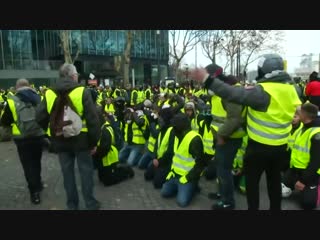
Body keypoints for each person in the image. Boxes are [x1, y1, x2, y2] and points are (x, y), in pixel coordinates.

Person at [192, 53, 301, 210]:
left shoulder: (261, 91)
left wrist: (206, 79)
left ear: (263, 70)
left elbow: (230, 93)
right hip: (280, 148)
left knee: (252, 184)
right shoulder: (292, 90)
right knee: (274, 183)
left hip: (258, 148)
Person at [36, 63, 101, 210]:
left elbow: (39, 117)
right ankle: (90, 204)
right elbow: (93, 120)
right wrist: (93, 142)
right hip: (82, 141)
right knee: (86, 172)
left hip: (60, 140)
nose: (77, 76)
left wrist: (51, 134)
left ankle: (72, 205)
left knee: (67, 174)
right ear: (73, 76)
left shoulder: (49, 93)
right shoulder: (82, 91)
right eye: (76, 74)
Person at [0, 79, 45, 204]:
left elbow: (4, 121)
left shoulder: (11, 101)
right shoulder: (39, 98)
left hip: (22, 139)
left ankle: (34, 192)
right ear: (29, 86)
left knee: (27, 165)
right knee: (36, 162)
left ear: (16, 87)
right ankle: (38, 182)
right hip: (38, 136)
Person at [161, 112, 206, 207]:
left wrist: (188, 178)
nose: (173, 128)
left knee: (182, 202)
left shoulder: (194, 139)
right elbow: (176, 157)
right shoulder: (177, 135)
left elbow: (200, 164)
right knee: (164, 193)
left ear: (182, 126)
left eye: (175, 125)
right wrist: (172, 171)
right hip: (175, 174)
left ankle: (193, 187)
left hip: (187, 177)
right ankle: (181, 188)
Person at [282, 103, 320, 209]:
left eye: (299, 113)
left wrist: (303, 181)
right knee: (280, 192)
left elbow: (316, 162)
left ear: (304, 115)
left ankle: (314, 187)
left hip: (310, 173)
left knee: (308, 204)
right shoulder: (304, 126)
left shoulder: (317, 133)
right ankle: (294, 182)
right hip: (295, 169)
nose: (296, 115)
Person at [92, 115, 134, 186]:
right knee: (101, 178)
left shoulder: (105, 130)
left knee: (108, 182)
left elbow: (105, 148)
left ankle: (127, 171)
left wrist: (95, 153)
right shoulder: (102, 127)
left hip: (109, 157)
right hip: (102, 156)